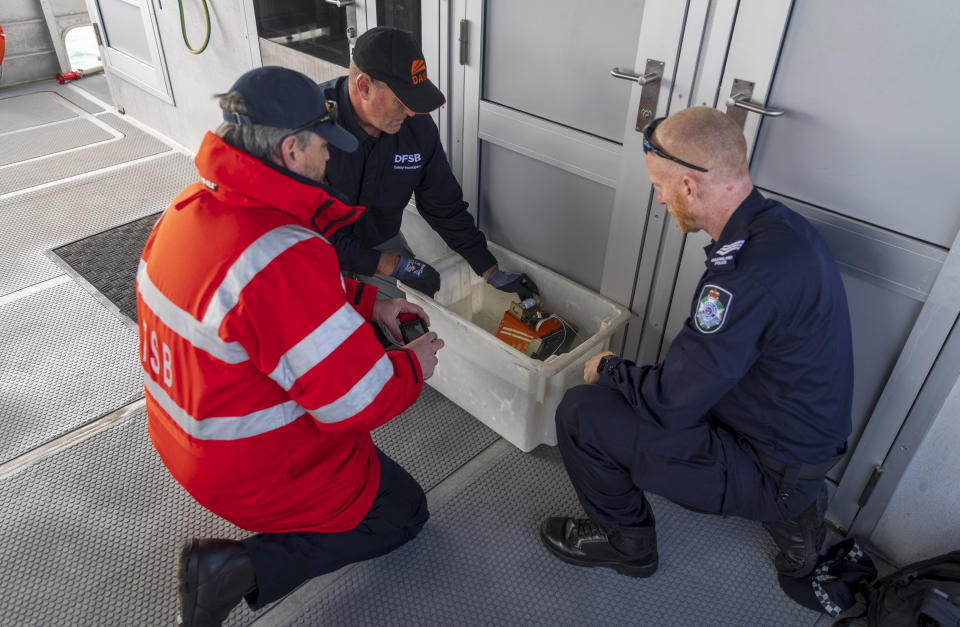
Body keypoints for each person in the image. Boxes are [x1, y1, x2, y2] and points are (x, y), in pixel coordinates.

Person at [135, 66, 445, 626]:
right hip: (255, 466)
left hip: (182, 435)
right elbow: (358, 402)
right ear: (292, 150)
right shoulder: (280, 254)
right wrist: (413, 366)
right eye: (325, 144)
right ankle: (235, 569)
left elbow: (274, 306)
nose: (332, 157)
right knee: (403, 513)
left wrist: (370, 303)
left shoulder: (189, 209)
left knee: (377, 477)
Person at [538, 107, 853, 580]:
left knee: (584, 412)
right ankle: (796, 507)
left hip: (771, 469)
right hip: (794, 445)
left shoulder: (743, 277)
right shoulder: (780, 230)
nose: (660, 199)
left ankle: (629, 547)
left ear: (689, 186)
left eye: (658, 187)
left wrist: (609, 368)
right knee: (647, 380)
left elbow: (670, 403)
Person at [318, 26, 538, 301]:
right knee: (332, 330)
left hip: (377, 240)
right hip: (312, 252)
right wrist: (393, 265)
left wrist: (489, 269)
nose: (411, 112)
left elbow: (443, 204)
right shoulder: (311, 127)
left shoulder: (416, 128)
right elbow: (302, 229)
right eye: (401, 102)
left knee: (411, 322)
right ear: (364, 87)